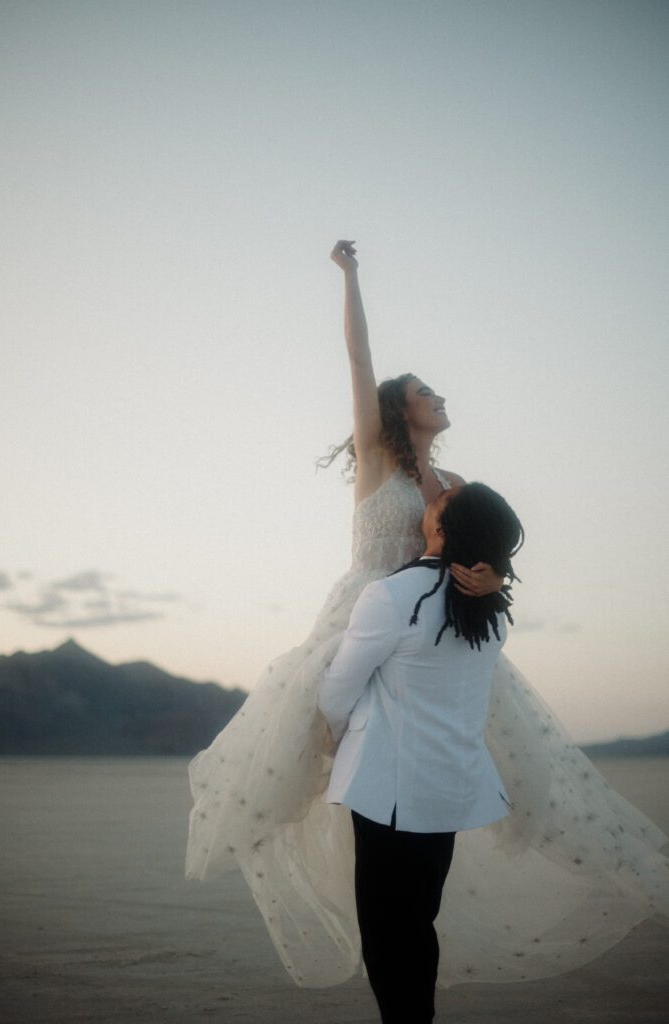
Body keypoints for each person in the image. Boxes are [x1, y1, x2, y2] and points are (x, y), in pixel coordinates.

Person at [186, 241, 668, 991]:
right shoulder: (382, 460)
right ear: (397, 409)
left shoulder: (455, 481)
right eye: (425, 390)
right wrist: (349, 278)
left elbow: (484, 545)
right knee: (328, 735)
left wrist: (487, 581)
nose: (439, 396)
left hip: (433, 615)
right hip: (366, 611)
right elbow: (356, 359)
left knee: (449, 750)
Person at [319, 482, 524, 1023]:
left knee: (386, 933)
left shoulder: (393, 596)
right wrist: (496, 578)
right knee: (417, 923)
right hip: (450, 786)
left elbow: (338, 688)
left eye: (439, 504)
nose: (432, 500)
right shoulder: (492, 612)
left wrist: (337, 739)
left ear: (442, 529)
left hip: (389, 788)